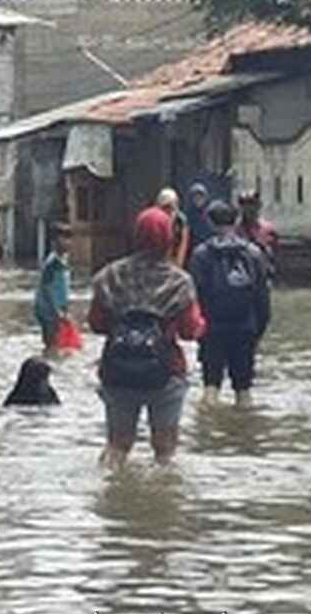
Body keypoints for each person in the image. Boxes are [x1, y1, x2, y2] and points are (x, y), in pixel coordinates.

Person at [89, 208, 207, 467]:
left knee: (117, 445)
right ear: (169, 238)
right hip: (166, 372)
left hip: (118, 371)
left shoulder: (110, 276)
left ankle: (109, 488)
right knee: (165, 451)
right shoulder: (179, 282)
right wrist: (202, 325)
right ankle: (161, 492)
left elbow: (96, 324)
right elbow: (189, 330)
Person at [190, 200, 272, 408]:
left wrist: (198, 330)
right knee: (244, 390)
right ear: (236, 222)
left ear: (209, 222)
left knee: (211, 386)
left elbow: (194, 296)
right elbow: (262, 298)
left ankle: (208, 425)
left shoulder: (201, 254)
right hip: (245, 327)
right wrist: (257, 331)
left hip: (212, 328)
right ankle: (245, 425)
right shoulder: (254, 253)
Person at [35, 222, 73, 353]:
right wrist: (58, 312)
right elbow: (47, 288)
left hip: (56, 308)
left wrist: (65, 310)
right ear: (54, 242)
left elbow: (62, 289)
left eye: (69, 239)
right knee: (52, 343)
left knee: (57, 343)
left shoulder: (63, 261)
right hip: (47, 309)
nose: (67, 243)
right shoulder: (52, 263)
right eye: (63, 239)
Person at [237, 191, 279, 277]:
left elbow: (274, 254)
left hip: (262, 275)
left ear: (259, 205)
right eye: (244, 204)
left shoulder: (268, 229)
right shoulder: (234, 230)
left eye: (252, 204)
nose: (248, 208)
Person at [155, 187, 190, 268]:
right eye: (165, 207)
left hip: (174, 257)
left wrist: (178, 264)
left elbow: (183, 243)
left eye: (171, 206)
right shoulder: (155, 219)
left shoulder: (180, 220)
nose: (169, 210)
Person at [184, 183, 214, 251]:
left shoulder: (210, 213)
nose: (198, 200)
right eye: (196, 197)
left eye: (201, 197)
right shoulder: (187, 215)